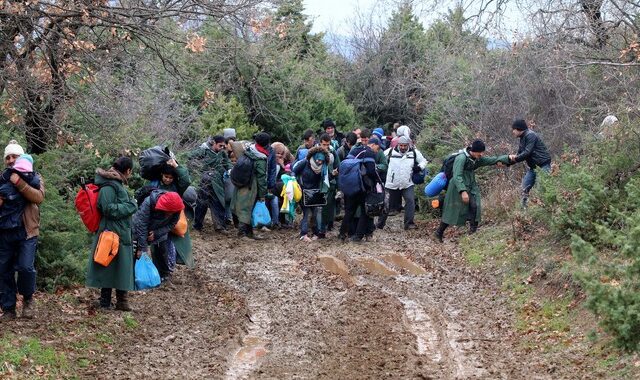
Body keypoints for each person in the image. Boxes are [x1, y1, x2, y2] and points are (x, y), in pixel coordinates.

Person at [86, 157, 138, 311]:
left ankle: (122, 301)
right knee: (107, 265)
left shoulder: (116, 183)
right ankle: (105, 302)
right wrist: (131, 206)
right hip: (111, 231)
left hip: (120, 231)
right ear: (128, 171)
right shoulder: (109, 185)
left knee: (122, 266)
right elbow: (107, 208)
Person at [0, 143, 44, 321]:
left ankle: (28, 301)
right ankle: (9, 309)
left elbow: (38, 197)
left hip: (27, 230)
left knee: (26, 267)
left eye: (14, 156)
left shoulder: (34, 176)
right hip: (4, 231)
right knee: (4, 270)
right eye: (8, 158)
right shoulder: (2, 178)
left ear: (22, 157)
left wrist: (19, 183)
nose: (11, 160)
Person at [435, 140, 510, 243]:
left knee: (475, 205)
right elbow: (457, 176)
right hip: (457, 186)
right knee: (452, 210)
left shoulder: (476, 158)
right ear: (474, 151)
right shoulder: (461, 158)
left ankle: (473, 232)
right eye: (480, 152)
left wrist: (508, 158)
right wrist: (463, 191)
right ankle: (439, 232)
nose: (482, 154)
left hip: (470, 185)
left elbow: (491, 160)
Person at [133, 191, 184, 285]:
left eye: (172, 212)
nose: (169, 214)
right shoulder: (149, 203)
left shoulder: (177, 207)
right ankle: (136, 276)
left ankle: (164, 275)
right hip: (140, 228)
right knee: (137, 252)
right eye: (168, 212)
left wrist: (156, 233)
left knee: (162, 251)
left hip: (160, 229)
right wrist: (143, 248)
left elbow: (172, 224)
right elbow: (141, 225)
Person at [378, 136, 428, 230]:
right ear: (398, 145)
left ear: (408, 145)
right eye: (401, 145)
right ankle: (380, 224)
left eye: (405, 145)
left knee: (410, 201)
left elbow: (424, 161)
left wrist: (419, 167)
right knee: (386, 203)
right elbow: (380, 160)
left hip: (407, 182)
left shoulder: (414, 152)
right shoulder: (389, 152)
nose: (403, 147)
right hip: (391, 183)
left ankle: (409, 223)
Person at [339, 136, 380, 243]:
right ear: (373, 145)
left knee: (349, 211)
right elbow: (371, 171)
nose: (377, 151)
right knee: (364, 212)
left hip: (349, 185)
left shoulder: (355, 150)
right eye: (378, 148)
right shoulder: (369, 153)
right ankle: (358, 236)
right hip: (361, 188)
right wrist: (377, 182)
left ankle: (342, 234)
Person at [188, 135, 232, 232]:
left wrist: (229, 169)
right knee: (201, 204)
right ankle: (197, 225)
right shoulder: (203, 151)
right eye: (220, 146)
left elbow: (227, 162)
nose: (222, 148)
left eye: (224, 146)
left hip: (217, 183)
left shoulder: (222, 154)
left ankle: (220, 226)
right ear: (214, 143)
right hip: (204, 182)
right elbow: (190, 157)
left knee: (219, 203)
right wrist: (198, 169)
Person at [231, 132, 270, 240]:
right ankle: (242, 233)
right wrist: (263, 194)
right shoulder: (260, 158)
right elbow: (261, 177)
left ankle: (249, 232)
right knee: (247, 208)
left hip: (242, 183)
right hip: (251, 186)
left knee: (246, 207)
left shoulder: (248, 150)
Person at [509, 119, 552, 208]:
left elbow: (527, 152)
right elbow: (520, 154)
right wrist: (508, 161)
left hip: (543, 165)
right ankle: (523, 211)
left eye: (513, 129)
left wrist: (515, 158)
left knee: (541, 188)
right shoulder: (522, 138)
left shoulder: (530, 135)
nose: (513, 131)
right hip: (533, 168)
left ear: (518, 129)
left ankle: (543, 209)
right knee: (524, 188)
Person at [293, 147, 330, 241]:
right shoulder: (305, 162)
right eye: (318, 159)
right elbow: (294, 171)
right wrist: (295, 183)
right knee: (306, 213)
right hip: (303, 190)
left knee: (315, 213)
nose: (319, 162)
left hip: (316, 192)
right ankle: (303, 234)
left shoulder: (324, 167)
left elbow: (326, 179)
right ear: (313, 157)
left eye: (321, 160)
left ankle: (316, 233)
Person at [319, 134, 340, 233]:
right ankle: (321, 229)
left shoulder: (333, 152)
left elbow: (338, 166)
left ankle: (328, 225)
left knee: (329, 207)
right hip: (319, 183)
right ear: (320, 143)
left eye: (327, 144)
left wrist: (338, 186)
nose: (326, 147)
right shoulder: (316, 153)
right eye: (324, 144)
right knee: (320, 209)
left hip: (331, 183)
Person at [270, 142, 295, 228]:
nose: (279, 156)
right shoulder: (270, 162)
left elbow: (288, 174)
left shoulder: (286, 160)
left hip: (282, 187)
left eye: (281, 154)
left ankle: (283, 221)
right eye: (277, 153)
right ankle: (276, 221)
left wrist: (282, 165)